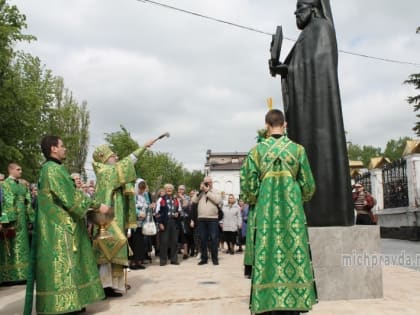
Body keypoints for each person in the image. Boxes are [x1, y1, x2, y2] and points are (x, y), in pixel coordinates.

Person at [269, 0, 353, 226]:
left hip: (320, 113)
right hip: (308, 112)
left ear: (313, 8)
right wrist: (281, 68)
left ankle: (327, 213)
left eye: (299, 10)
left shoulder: (321, 29)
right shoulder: (307, 33)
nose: (296, 15)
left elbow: (316, 65)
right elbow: (301, 66)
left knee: (322, 159)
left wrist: (288, 69)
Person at [241, 109, 317, 315]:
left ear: (266, 126)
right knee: (293, 255)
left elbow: (248, 188)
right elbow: (309, 186)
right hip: (292, 216)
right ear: (285, 125)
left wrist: (258, 198)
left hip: (265, 216)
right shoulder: (298, 150)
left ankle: (268, 304)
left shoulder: (256, 151)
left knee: (268, 256)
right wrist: (293, 198)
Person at [24, 135, 110, 315]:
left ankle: (73, 302)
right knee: (63, 266)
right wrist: (96, 205)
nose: (65, 149)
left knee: (71, 265)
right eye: (62, 146)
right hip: (59, 228)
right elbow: (70, 196)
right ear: (53, 149)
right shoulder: (52, 170)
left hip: (62, 225)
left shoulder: (54, 168)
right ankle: (64, 305)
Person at [92, 140, 154, 297]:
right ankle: (104, 285)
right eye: (113, 155)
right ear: (104, 158)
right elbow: (125, 165)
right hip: (108, 219)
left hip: (117, 218)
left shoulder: (110, 172)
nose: (116, 157)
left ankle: (114, 285)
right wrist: (143, 148)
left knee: (116, 251)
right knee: (108, 251)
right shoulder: (105, 172)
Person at [0, 163, 32, 286]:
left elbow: (28, 202)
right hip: (11, 221)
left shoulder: (22, 185)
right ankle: (9, 276)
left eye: (21, 169)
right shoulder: (6, 184)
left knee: (23, 246)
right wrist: (7, 220)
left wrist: (31, 219)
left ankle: (22, 274)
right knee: (10, 247)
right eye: (18, 169)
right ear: (11, 170)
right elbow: (7, 202)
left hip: (22, 221)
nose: (21, 171)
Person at [192, 176, 222, 266]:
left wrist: (207, 192)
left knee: (214, 239)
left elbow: (217, 200)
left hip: (213, 219)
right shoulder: (200, 192)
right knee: (202, 239)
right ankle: (204, 259)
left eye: (209, 182)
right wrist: (200, 191)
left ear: (212, 183)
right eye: (206, 182)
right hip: (201, 219)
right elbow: (193, 200)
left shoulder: (216, 191)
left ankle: (214, 259)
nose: (207, 183)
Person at [155, 183, 181, 266]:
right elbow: (157, 212)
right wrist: (160, 223)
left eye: (170, 188)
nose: (169, 189)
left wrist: (177, 213)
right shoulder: (161, 199)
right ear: (165, 190)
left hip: (174, 222)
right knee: (164, 241)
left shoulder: (176, 199)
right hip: (165, 223)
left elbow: (179, 210)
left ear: (172, 190)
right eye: (167, 188)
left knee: (174, 241)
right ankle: (163, 260)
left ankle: (174, 259)